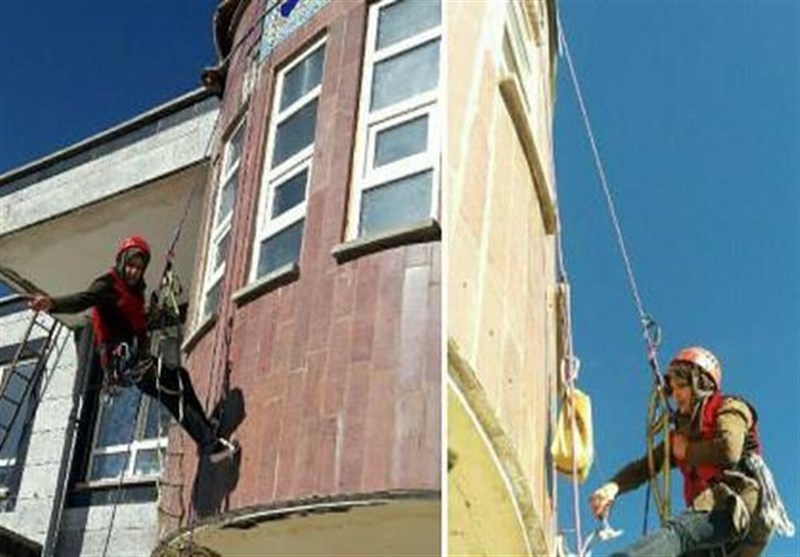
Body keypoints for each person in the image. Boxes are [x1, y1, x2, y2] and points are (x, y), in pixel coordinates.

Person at [28, 235, 237, 464]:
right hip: (125, 361)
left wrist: (152, 313)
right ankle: (210, 445)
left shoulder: (137, 290)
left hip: (136, 356)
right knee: (171, 392)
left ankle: (205, 429)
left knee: (180, 378)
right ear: (121, 261)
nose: (134, 272)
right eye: (130, 265)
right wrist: (53, 304)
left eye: (139, 267)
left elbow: (134, 323)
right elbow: (83, 299)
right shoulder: (106, 285)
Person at [589, 346, 794, 557]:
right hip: (720, 529)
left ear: (700, 384)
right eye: (673, 388)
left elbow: (729, 449)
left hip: (736, 505)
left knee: (678, 533)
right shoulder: (681, 437)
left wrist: (687, 450)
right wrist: (613, 487)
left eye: (682, 386)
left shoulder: (731, 408)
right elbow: (645, 467)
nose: (675, 394)